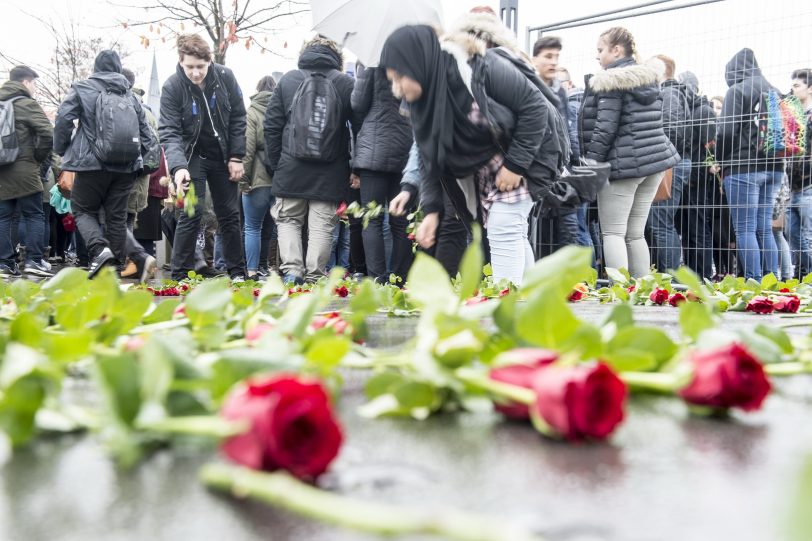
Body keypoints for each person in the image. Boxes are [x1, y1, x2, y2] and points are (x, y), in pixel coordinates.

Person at [380, 25, 564, 286]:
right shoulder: (423, 105)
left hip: (527, 152)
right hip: (486, 170)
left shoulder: (479, 68)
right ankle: (527, 299)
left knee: (504, 226)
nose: (396, 89)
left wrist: (515, 165)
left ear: (417, 64)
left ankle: (506, 306)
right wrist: (432, 211)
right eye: (391, 80)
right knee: (512, 230)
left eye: (400, 77)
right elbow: (430, 159)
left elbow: (534, 107)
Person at [580, 27, 679, 278]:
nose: (598, 56)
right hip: (654, 164)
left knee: (613, 232)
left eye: (600, 50)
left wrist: (590, 165)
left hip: (623, 167)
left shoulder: (610, 81)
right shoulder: (649, 79)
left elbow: (605, 128)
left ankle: (621, 292)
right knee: (635, 233)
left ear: (616, 50)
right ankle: (641, 289)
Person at [264, 36, 358, 284]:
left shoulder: (289, 80)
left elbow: (271, 126)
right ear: (337, 57)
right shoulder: (345, 83)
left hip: (290, 166)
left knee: (288, 219)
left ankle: (292, 271)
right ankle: (315, 275)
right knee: (322, 225)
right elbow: (358, 128)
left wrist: (276, 164)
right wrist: (354, 167)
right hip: (331, 169)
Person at [54, 50, 155, 278]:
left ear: (96, 68)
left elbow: (63, 119)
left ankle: (99, 250)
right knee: (116, 220)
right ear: (118, 69)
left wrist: (63, 150)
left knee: (82, 208)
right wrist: (141, 161)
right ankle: (140, 257)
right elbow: (147, 135)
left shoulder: (82, 88)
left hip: (91, 164)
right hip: (126, 167)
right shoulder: (130, 95)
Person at [159, 34, 247, 282]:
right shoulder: (172, 87)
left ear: (210, 61)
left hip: (223, 154)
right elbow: (169, 131)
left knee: (229, 213)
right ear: (180, 61)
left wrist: (236, 156)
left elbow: (239, 116)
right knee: (191, 212)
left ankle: (237, 272)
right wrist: (178, 168)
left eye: (201, 67)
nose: (196, 73)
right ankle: (179, 274)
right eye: (190, 67)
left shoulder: (226, 77)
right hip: (192, 156)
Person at [716, 48, 783, 280]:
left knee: (744, 228)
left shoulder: (738, 91)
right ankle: (772, 281)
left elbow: (725, 131)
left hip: (743, 166)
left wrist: (721, 163)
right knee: (764, 227)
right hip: (774, 166)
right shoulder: (775, 91)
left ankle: (753, 282)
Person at [351, 61, 413, 282]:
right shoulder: (410, 62)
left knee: (372, 218)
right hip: (404, 147)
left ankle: (377, 277)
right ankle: (400, 277)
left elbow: (357, 104)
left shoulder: (371, 61)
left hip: (373, 151)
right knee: (401, 219)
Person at [0, 65, 54, 277]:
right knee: (33, 214)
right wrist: (37, 159)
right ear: (26, 82)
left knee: (3, 217)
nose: (35, 88)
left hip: (2, 170)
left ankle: (4, 264)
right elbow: (48, 134)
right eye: (34, 83)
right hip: (25, 168)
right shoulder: (26, 104)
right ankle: (34, 261)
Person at [532, 36, 584, 256]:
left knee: (568, 223)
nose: (553, 62)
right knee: (536, 229)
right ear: (535, 59)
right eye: (548, 56)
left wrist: (573, 163)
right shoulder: (528, 85)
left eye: (556, 56)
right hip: (535, 168)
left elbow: (565, 130)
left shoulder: (559, 91)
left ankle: (568, 282)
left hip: (558, 168)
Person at [647, 54, 691, 273]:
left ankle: (670, 277)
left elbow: (672, 129)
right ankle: (668, 274)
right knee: (660, 223)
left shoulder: (669, 94)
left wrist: (660, 158)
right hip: (673, 161)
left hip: (669, 164)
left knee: (661, 223)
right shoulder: (672, 93)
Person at [676, 71, 718, 279]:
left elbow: (710, 147)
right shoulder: (688, 109)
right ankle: (693, 275)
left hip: (699, 180)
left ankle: (703, 275)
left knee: (699, 229)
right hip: (686, 179)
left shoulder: (703, 110)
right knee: (688, 229)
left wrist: (704, 171)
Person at [241, 75, 278, 280]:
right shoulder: (282, 110)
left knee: (252, 226)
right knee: (270, 227)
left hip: (257, 179)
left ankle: (253, 270)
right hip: (278, 180)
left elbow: (247, 149)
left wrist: (243, 180)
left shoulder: (252, 112)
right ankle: (264, 266)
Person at [787, 68, 812, 278]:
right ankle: (803, 279)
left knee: (808, 236)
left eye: (797, 85)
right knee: (794, 236)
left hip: (809, 183)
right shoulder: (795, 116)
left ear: (810, 88)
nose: (792, 90)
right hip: (794, 185)